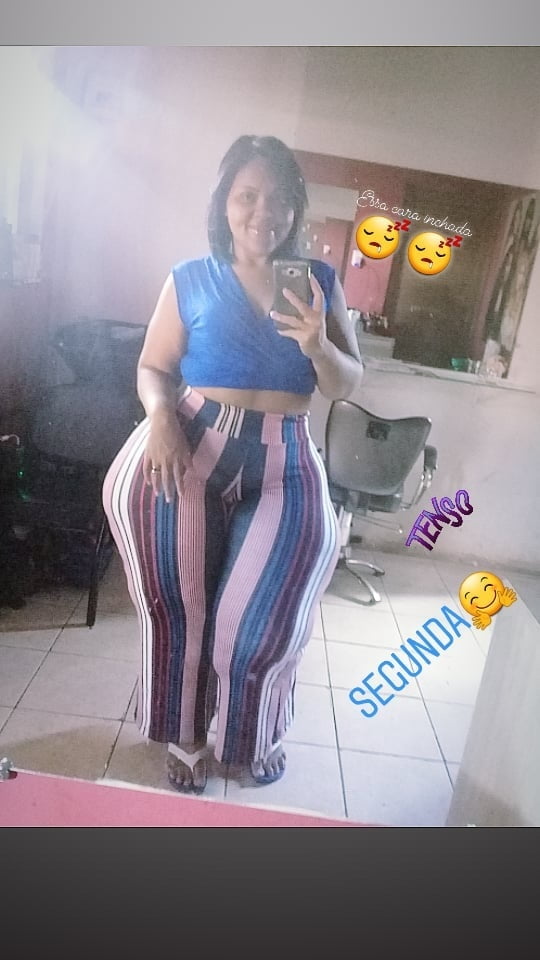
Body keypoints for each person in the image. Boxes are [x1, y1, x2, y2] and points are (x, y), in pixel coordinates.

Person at [103, 135, 363, 794]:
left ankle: (251, 733)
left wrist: (319, 346)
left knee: (256, 622)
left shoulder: (320, 282)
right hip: (189, 445)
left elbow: (346, 383)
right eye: (247, 195)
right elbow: (153, 366)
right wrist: (161, 417)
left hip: (285, 455)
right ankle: (185, 734)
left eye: (278, 199)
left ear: (296, 209)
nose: (262, 212)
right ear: (224, 203)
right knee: (181, 606)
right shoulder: (190, 277)